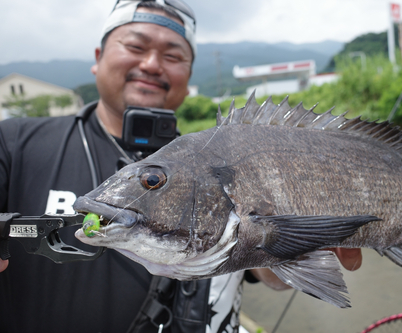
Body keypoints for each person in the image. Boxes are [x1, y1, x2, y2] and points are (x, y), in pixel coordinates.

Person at [0, 1, 363, 332]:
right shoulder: (13, 143)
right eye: (136, 46)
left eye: (173, 55)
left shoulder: (227, 159)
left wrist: (300, 246)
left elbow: (262, 271)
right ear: (98, 55)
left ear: (189, 77)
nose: (152, 64)